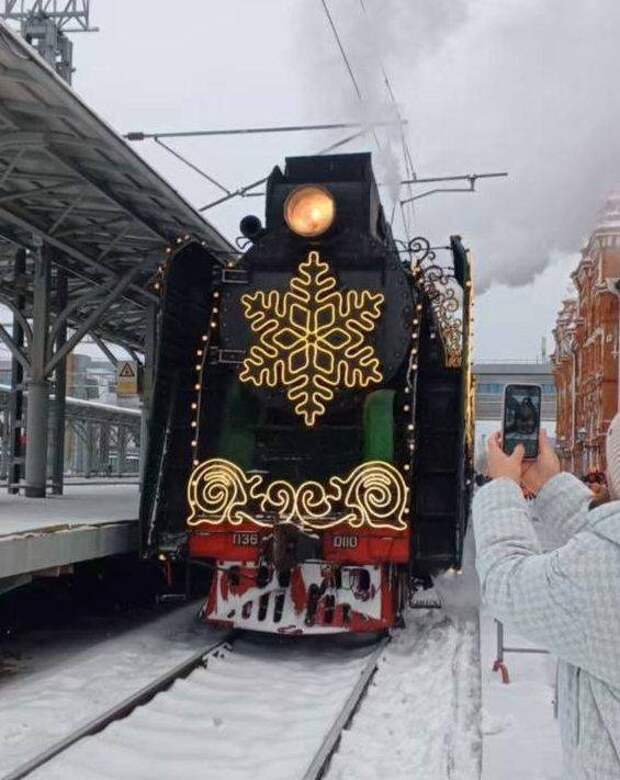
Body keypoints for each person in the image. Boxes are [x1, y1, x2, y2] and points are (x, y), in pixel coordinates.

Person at [473, 421, 620, 778]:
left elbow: (505, 580)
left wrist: (503, 487)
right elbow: (606, 536)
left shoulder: (604, 570)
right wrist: (550, 485)